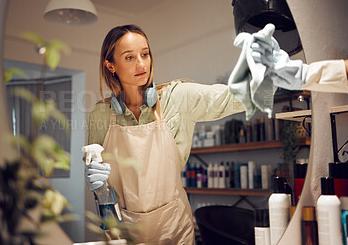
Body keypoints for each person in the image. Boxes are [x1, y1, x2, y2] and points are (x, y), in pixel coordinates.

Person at [85, 24, 244, 244]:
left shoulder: (175, 99)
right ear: (110, 65)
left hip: (174, 228)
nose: (141, 64)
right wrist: (97, 182)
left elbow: (230, 98)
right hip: (125, 231)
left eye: (145, 54)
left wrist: (274, 79)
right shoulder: (100, 115)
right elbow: (102, 187)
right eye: (129, 57)